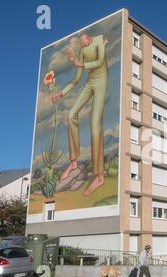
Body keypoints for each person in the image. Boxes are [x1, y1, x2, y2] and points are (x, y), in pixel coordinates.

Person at [52, 33, 108, 196]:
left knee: (94, 123)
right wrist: (60, 94)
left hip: (102, 81)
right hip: (90, 82)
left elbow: (100, 62)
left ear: (90, 39)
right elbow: (76, 80)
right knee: (70, 115)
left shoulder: (100, 41)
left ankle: (99, 176)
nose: (83, 47)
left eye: (85, 44)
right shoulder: (82, 52)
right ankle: (74, 162)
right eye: (81, 45)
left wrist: (80, 64)